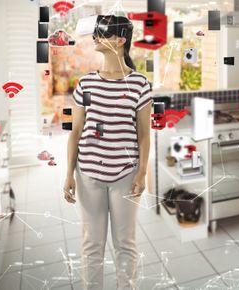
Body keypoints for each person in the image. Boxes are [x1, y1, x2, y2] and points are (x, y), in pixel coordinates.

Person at [63, 15, 152, 290]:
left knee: (125, 243)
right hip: (89, 174)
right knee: (92, 244)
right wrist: (69, 175)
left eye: (102, 34)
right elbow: (75, 132)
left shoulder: (139, 84)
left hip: (125, 175)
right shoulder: (85, 84)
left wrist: (142, 172)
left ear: (120, 40)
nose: (96, 38)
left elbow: (144, 134)